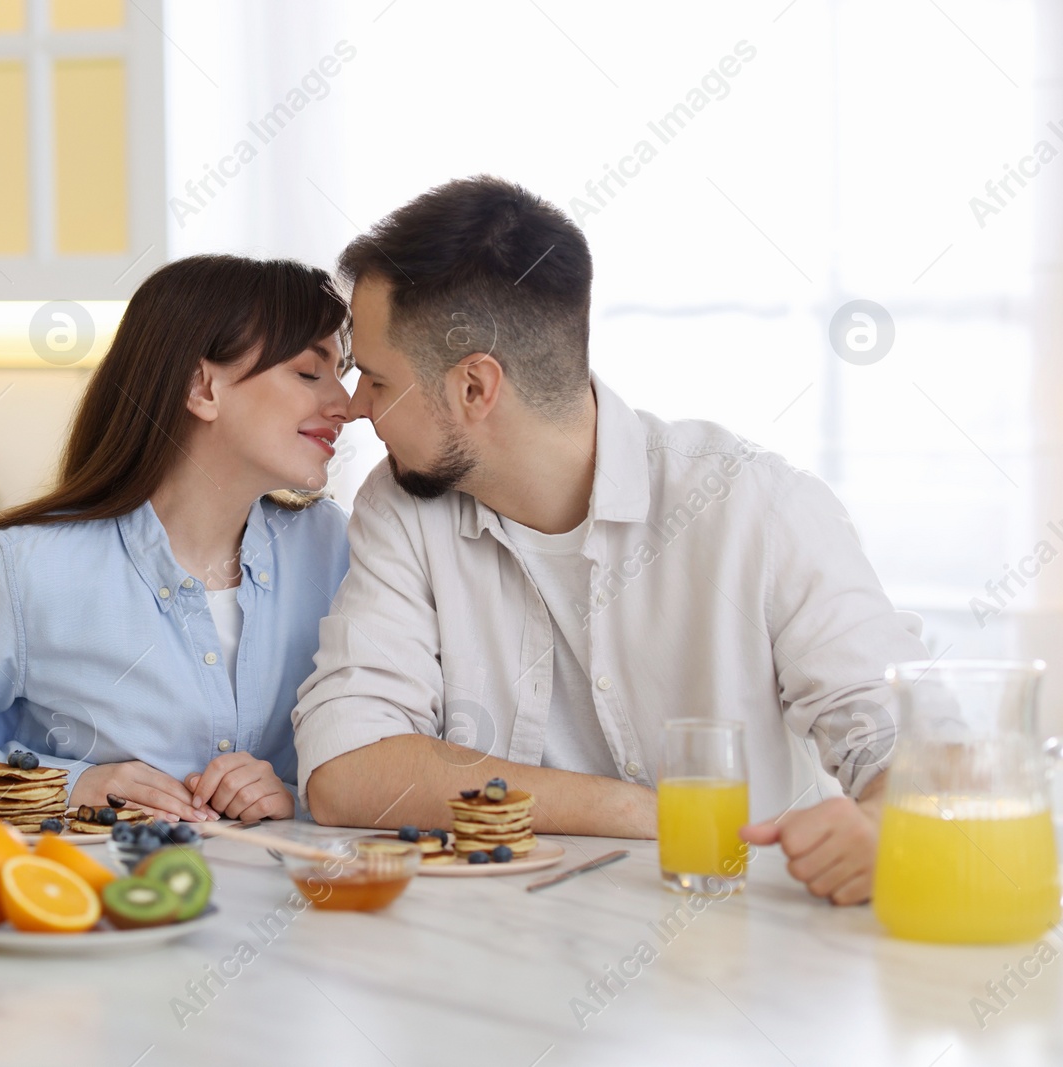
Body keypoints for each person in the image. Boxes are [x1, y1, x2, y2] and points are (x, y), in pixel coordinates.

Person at [292, 176, 927, 904]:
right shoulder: (402, 505)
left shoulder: (758, 506)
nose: (351, 406)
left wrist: (885, 823)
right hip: (493, 960)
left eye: (374, 378)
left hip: (735, 953)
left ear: (475, 388)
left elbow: (901, 741)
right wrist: (644, 810)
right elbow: (348, 767)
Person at [0, 254, 353, 823]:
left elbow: (383, 741)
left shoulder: (331, 547)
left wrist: (296, 792)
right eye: (310, 372)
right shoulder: (22, 569)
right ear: (202, 386)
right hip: (99, 905)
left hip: (285, 906)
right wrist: (71, 783)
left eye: (342, 375)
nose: (346, 406)